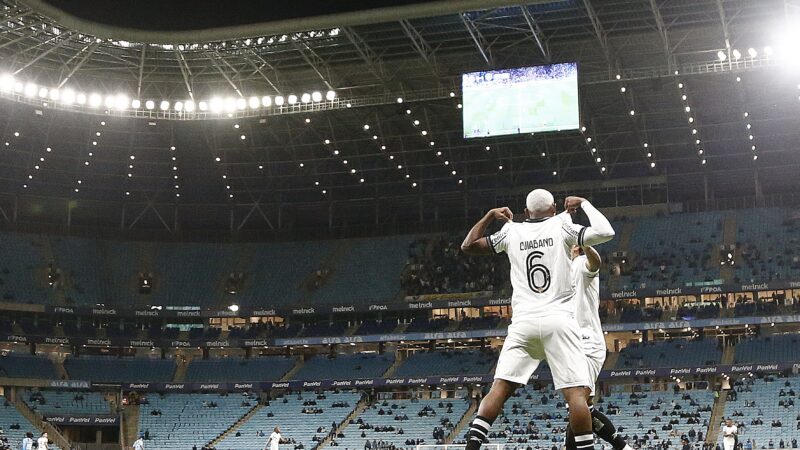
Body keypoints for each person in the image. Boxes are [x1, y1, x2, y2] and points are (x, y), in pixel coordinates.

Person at [460, 190, 615, 450]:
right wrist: (585, 203)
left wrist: (489, 216)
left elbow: (468, 246)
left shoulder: (511, 231)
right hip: (559, 321)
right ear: (554, 209)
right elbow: (606, 232)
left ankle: (472, 446)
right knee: (576, 395)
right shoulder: (563, 225)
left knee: (499, 389)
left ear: (525, 212)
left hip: (524, 323)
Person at [564, 244, 632, 450]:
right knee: (583, 408)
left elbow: (595, 263)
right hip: (570, 344)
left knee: (578, 405)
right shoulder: (561, 271)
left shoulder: (581, 264)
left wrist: (585, 245)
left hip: (586, 342)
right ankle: (624, 447)